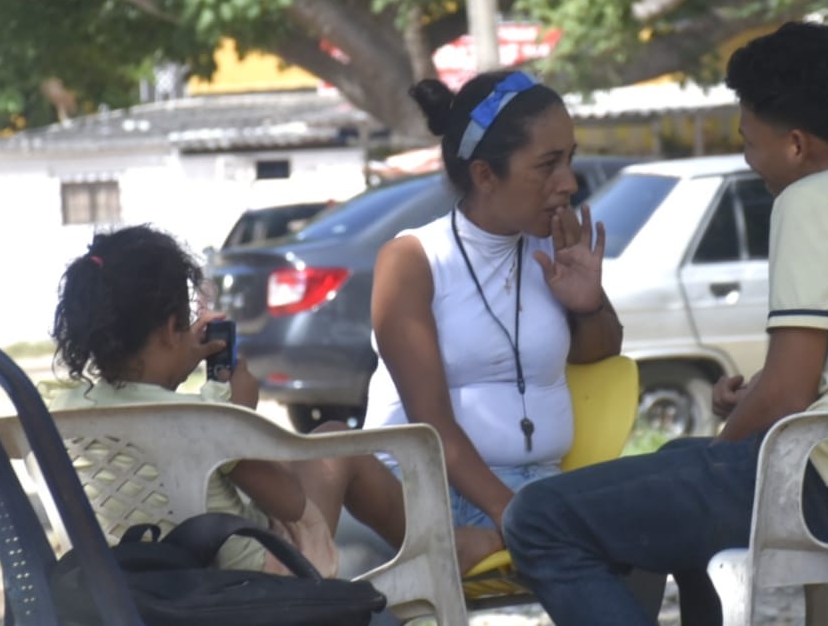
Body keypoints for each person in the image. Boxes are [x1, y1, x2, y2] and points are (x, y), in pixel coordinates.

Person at [501, 21, 828, 626]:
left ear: (796, 145)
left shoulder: (812, 198)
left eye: (749, 142)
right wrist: (745, 415)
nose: (750, 160)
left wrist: (727, 446)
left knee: (538, 518)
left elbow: (788, 391)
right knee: (677, 458)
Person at [48, 224, 500, 576]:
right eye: (185, 323)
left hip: (123, 591)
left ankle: (441, 542)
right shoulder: (204, 421)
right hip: (250, 588)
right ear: (170, 330)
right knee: (339, 443)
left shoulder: (60, 416)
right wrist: (240, 418)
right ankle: (442, 545)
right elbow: (289, 502)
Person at [363, 70, 623, 541]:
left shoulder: (550, 247)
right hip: (437, 492)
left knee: (656, 531)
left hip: (538, 487)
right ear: (485, 174)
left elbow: (600, 356)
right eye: (548, 165)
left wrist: (588, 304)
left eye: (570, 159)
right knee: (604, 546)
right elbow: (431, 426)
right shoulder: (412, 260)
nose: (568, 182)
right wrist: (520, 518)